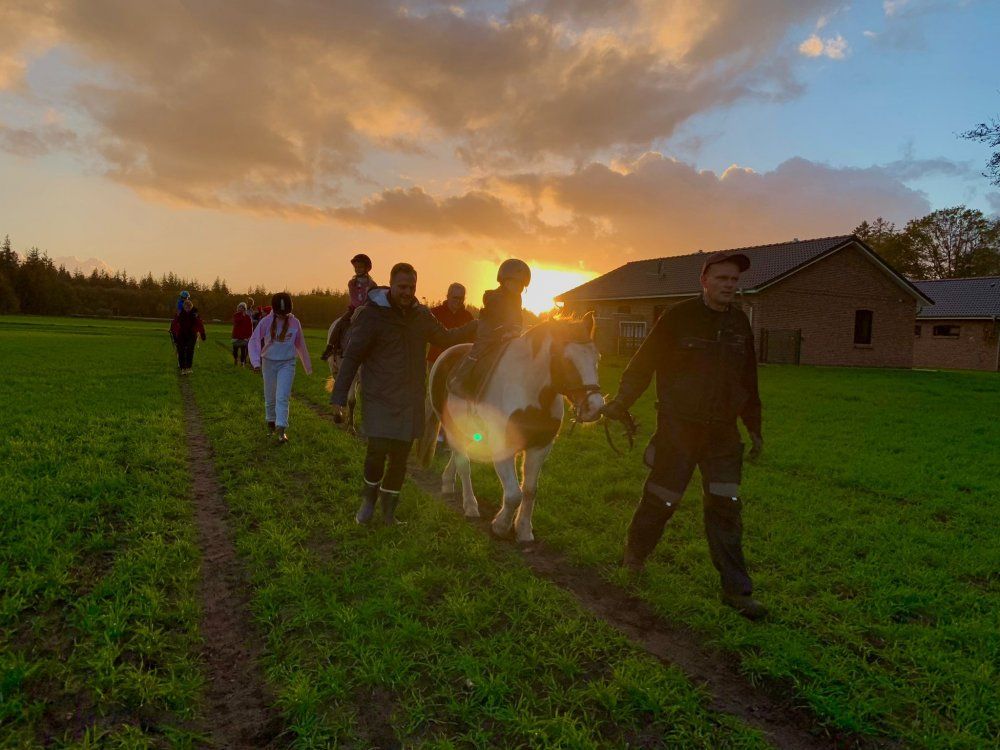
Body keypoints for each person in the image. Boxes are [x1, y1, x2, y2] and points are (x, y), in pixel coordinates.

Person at [601, 250, 766, 620]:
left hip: (722, 434)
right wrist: (622, 401)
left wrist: (754, 427)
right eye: (721, 278)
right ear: (704, 280)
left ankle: (737, 590)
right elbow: (642, 364)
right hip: (678, 429)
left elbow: (748, 379)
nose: (729, 285)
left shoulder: (740, 322)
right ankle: (634, 557)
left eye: (734, 280)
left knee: (726, 506)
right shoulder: (678, 317)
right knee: (661, 498)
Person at [330, 263, 477, 526]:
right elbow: (352, 357)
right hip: (379, 397)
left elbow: (445, 337)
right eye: (402, 287)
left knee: (399, 459)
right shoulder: (372, 315)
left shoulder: (421, 316)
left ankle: (389, 513)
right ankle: (368, 504)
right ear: (391, 285)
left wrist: (477, 325)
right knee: (376, 453)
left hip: (410, 399)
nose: (408, 292)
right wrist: (339, 396)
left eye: (412, 287)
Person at [448, 259, 530, 400]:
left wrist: (516, 328)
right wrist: (506, 329)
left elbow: (517, 316)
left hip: (508, 331)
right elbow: (496, 315)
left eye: (521, 284)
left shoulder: (517, 298)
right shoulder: (494, 296)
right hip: (490, 327)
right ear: (504, 281)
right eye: (515, 282)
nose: (519, 287)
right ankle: (458, 380)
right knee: (479, 349)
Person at [248, 293, 313, 442]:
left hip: (287, 363)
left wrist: (307, 366)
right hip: (269, 362)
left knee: (282, 396)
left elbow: (300, 344)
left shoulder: (295, 323)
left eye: (286, 313)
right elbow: (254, 340)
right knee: (270, 396)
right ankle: (271, 424)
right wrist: (256, 362)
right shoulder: (266, 321)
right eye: (280, 313)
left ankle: (281, 430)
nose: (283, 316)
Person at [322, 253, 378, 360]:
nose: (357, 269)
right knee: (340, 323)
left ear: (367, 268)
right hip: (354, 309)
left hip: (368, 309)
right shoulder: (352, 283)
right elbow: (354, 298)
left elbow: (374, 297)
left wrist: (368, 306)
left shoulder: (372, 284)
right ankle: (331, 347)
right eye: (356, 267)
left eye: (360, 267)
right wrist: (359, 307)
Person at [427, 283, 474, 367]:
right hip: (436, 361)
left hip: (459, 363)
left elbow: (472, 342)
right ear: (448, 296)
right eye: (455, 297)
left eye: (461, 298)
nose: (458, 301)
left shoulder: (468, 316)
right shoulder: (434, 313)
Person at [169, 298, 206, 375]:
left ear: (191, 307)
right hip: (182, 334)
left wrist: (202, 334)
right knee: (181, 350)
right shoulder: (180, 314)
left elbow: (200, 324)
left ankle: (189, 367)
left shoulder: (195, 314)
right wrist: (174, 333)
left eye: (189, 308)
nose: (188, 309)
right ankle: (183, 368)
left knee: (190, 349)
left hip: (192, 334)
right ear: (184, 307)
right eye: (186, 308)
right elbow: (174, 323)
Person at [231, 302, 254, 367]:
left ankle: (242, 362)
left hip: (244, 336)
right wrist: (242, 315)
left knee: (243, 351)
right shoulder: (236, 315)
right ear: (238, 308)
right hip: (236, 336)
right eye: (239, 307)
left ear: (245, 309)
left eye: (242, 307)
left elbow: (250, 326)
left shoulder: (248, 317)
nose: (241, 309)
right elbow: (237, 321)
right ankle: (235, 359)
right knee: (235, 351)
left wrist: (249, 335)